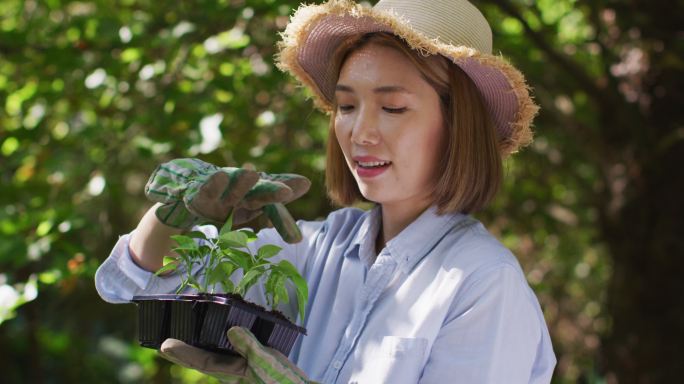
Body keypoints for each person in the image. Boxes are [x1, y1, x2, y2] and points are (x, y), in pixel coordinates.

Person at [95, 0, 557, 382]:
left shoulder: (482, 284)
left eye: (393, 107)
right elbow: (139, 280)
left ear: (459, 125)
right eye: (347, 105)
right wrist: (172, 217)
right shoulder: (316, 249)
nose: (360, 132)